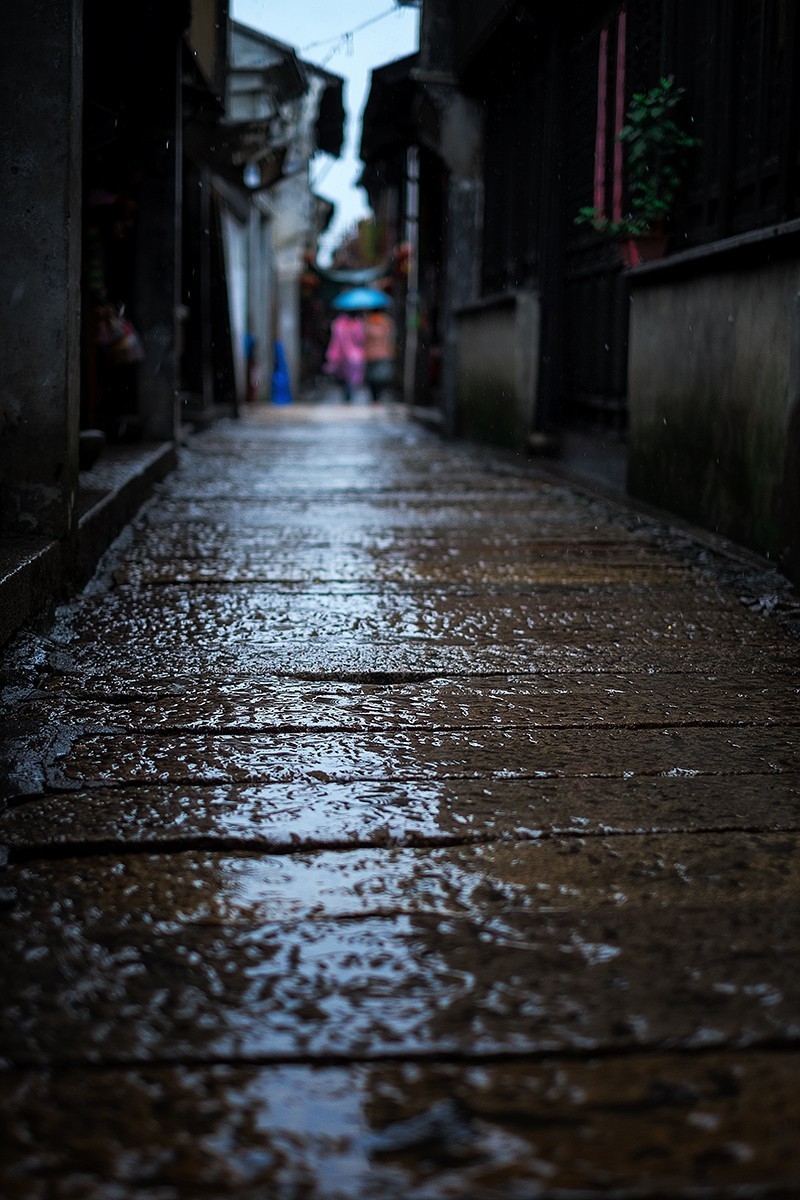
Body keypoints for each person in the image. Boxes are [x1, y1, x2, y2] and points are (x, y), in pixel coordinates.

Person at [323, 312, 365, 402]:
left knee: (344, 376)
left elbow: (335, 341)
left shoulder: (338, 325)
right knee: (352, 377)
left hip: (341, 355)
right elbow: (361, 340)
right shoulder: (358, 325)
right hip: (354, 355)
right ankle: (349, 394)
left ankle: (347, 394)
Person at [364, 309, 396, 403]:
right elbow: (390, 336)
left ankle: (376, 396)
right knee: (378, 376)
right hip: (380, 353)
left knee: (374, 377)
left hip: (374, 353)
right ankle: (377, 396)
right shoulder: (387, 321)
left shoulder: (368, 322)